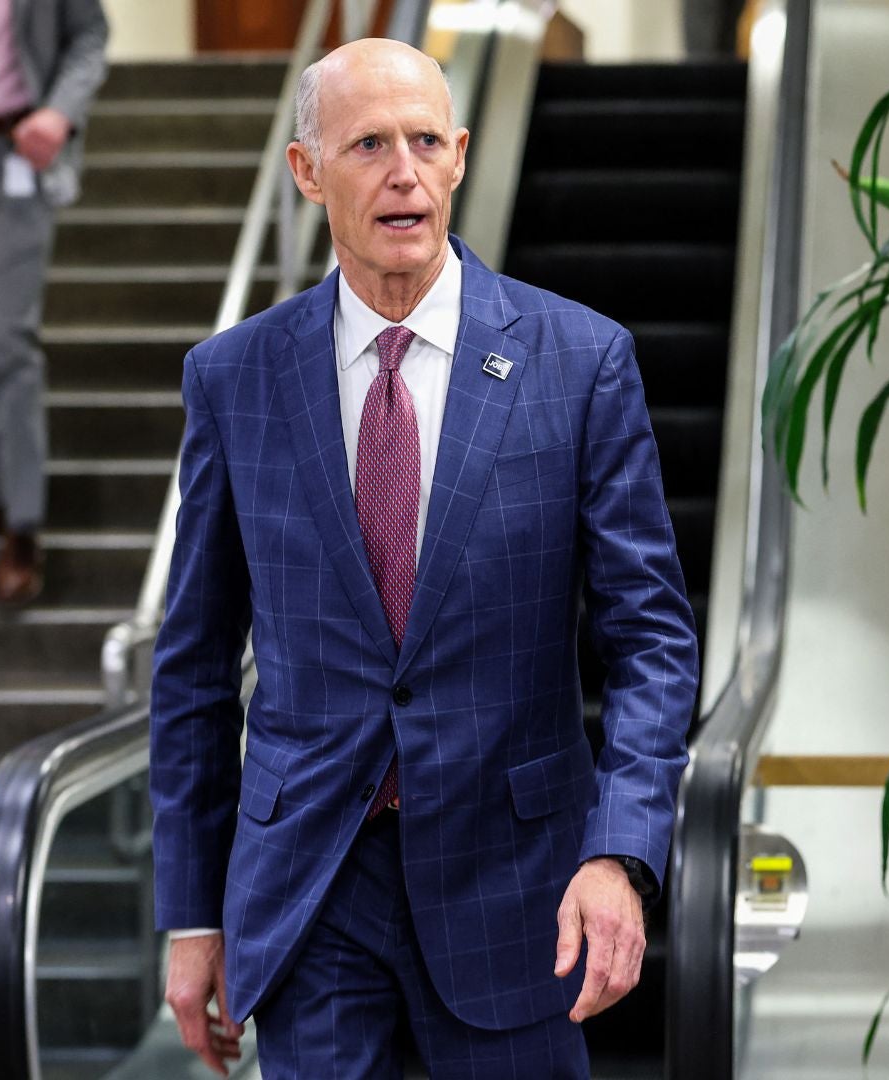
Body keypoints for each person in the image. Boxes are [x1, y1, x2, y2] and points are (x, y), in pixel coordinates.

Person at [148, 39, 699, 1078]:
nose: (403, 171)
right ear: (307, 172)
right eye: (367, 145)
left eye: (424, 142)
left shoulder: (581, 360)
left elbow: (652, 638)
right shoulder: (234, 376)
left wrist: (620, 851)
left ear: (458, 158)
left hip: (518, 886)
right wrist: (189, 913)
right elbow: (191, 666)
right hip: (311, 885)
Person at [0, 0, 107, 604]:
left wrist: (58, 112)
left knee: (3, 338)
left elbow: (89, 35)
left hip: (15, 151)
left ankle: (22, 524)